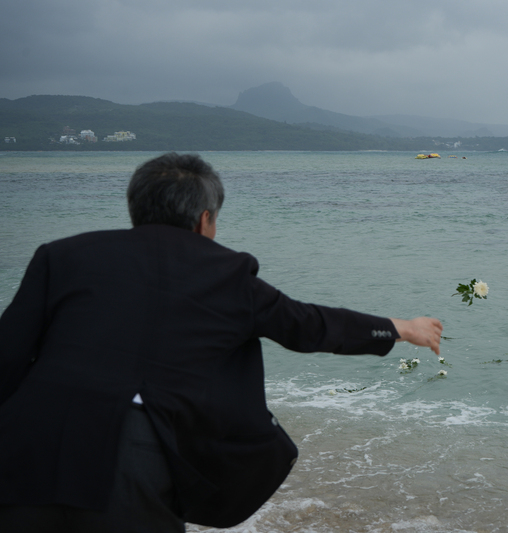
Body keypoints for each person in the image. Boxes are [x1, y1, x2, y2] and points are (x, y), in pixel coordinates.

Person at [0, 152, 443, 532]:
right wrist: (400, 327)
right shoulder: (227, 273)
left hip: (24, 444)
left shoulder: (62, 255)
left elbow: (8, 354)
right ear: (205, 218)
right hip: (130, 456)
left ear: (135, 207)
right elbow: (307, 325)